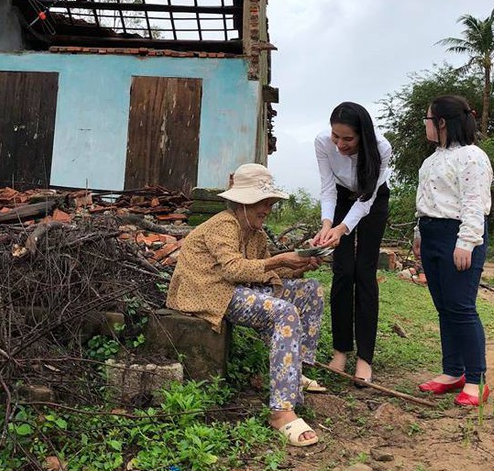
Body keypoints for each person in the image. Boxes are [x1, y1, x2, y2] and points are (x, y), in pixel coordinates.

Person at [167, 163, 325, 447]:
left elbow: (264, 272)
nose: (267, 208)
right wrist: (280, 259)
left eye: (269, 202)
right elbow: (233, 270)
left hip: (238, 288)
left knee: (311, 291)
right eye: (260, 202)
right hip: (212, 292)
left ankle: (294, 372)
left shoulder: (256, 233)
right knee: (284, 313)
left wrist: (302, 266)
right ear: (241, 202)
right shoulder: (223, 224)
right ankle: (281, 411)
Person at [414, 95, 493, 407]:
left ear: (442, 122)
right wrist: (419, 233)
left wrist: (467, 242)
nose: (425, 124)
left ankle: (476, 379)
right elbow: (425, 201)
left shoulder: (472, 158)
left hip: (458, 234)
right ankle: (452, 372)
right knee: (444, 307)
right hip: (432, 233)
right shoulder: (431, 160)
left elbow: (474, 202)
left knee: (461, 308)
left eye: (428, 118)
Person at [311, 102, 392, 384]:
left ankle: (364, 358)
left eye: (348, 139)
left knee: (364, 273)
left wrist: (343, 228)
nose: (339, 144)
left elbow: (367, 199)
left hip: (372, 200)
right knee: (343, 272)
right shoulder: (323, 142)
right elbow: (327, 188)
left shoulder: (381, 149)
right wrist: (327, 226)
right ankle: (341, 351)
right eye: (336, 136)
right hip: (341, 199)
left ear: (363, 135)